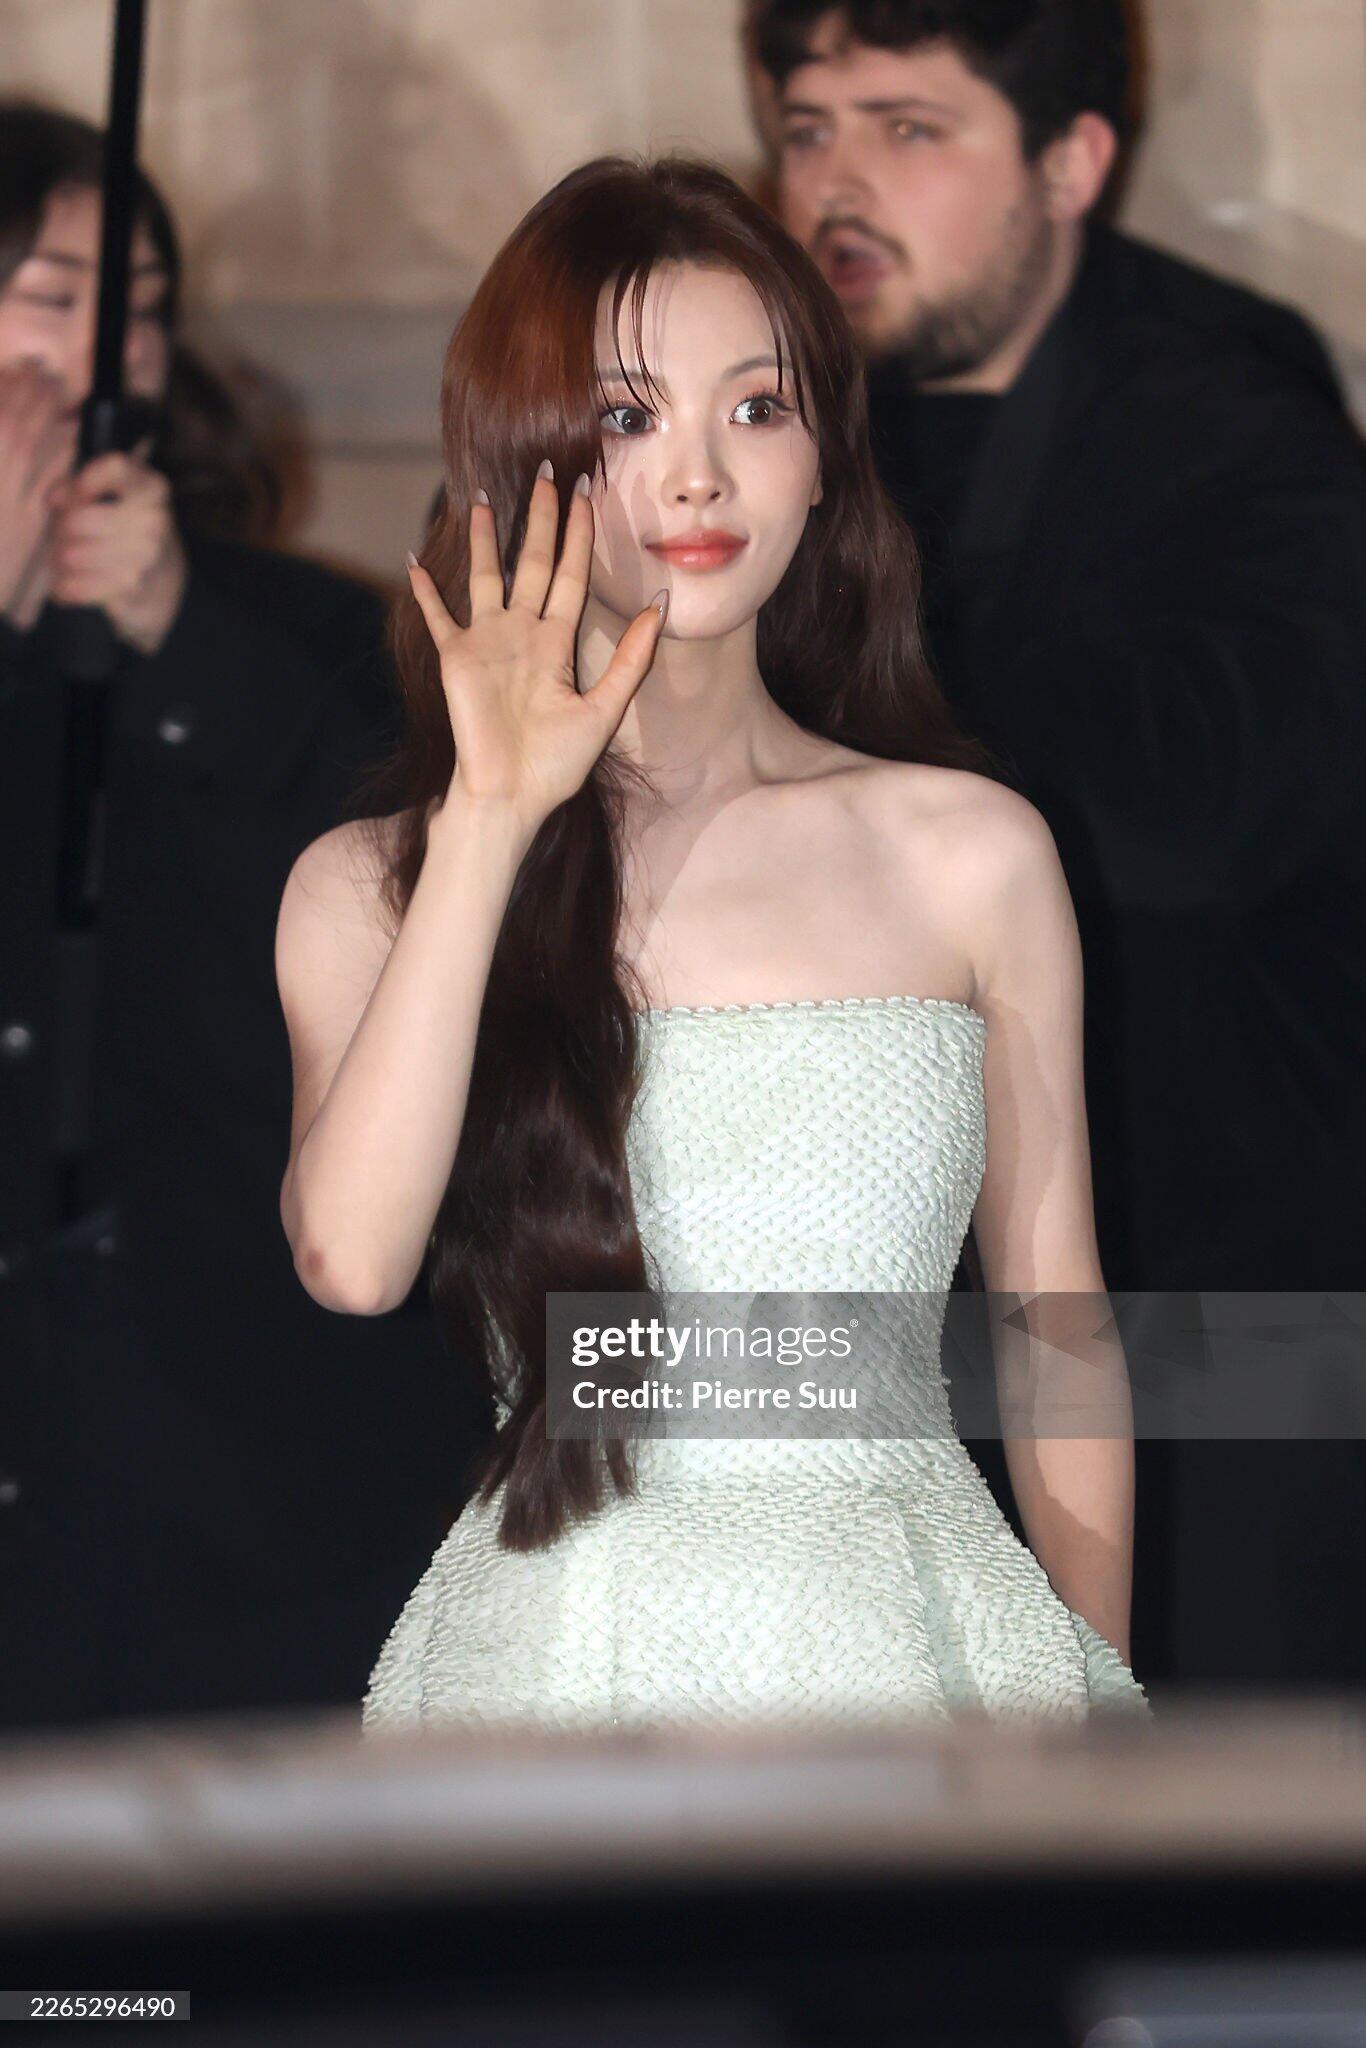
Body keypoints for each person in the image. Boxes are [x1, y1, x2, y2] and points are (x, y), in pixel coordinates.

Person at [275, 152, 1151, 1736]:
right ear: (522, 459)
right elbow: (351, 1260)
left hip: (909, 1648)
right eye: (626, 418)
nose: (696, 478)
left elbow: (1052, 1319)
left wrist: (1097, 1695)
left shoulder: (967, 852)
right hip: (551, 1658)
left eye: (754, 409)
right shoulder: (371, 886)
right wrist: (490, 823)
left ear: (822, 463)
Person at [748, 0, 1366, 1691]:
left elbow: (1193, 820)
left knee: (1186, 1815)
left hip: (1218, 1323)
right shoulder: (768, 415)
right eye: (806, 130)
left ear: (1071, 162)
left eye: (909, 129)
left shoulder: (1230, 409)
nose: (837, 186)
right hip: (860, 1329)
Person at [0, 101, 485, 1729]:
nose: (105, 358)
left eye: (138, 309)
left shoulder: (294, 638)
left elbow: (403, 929)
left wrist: (173, 642)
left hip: (240, 1484)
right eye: (51, 300)